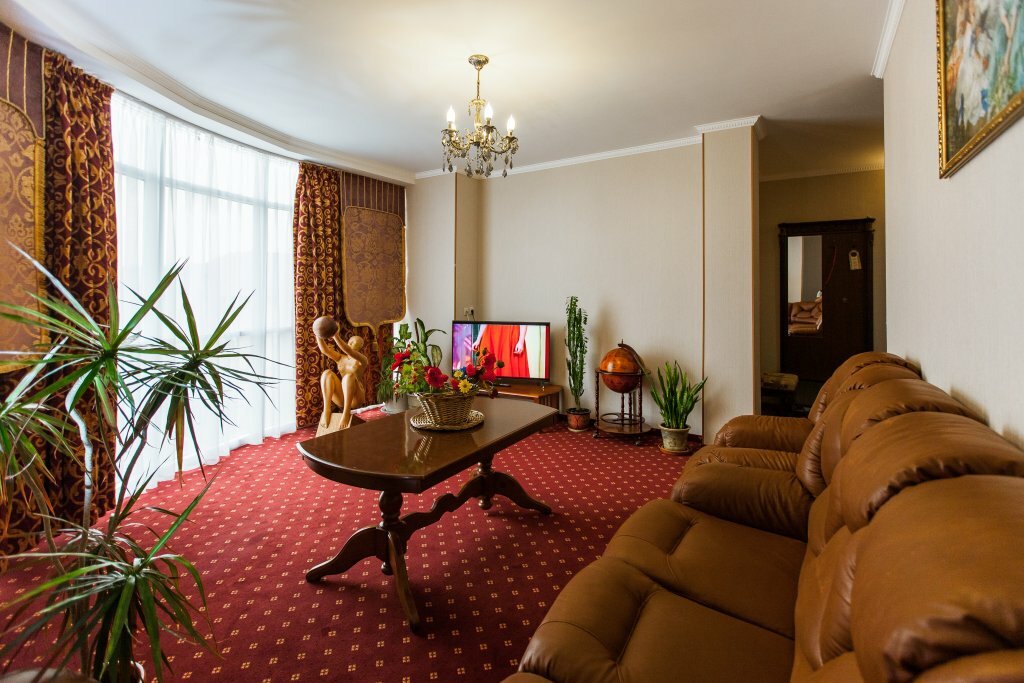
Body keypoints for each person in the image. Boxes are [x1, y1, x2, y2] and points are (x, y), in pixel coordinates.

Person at [314, 318, 368, 430]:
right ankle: (327, 409)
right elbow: (325, 350)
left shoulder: (362, 360)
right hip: (342, 397)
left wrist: (335, 336)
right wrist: (317, 333)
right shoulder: (340, 358)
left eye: (355, 342)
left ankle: (346, 413)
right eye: (350, 341)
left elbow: (349, 351)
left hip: (356, 397)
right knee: (327, 374)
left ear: (360, 346)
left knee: (349, 377)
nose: (351, 343)